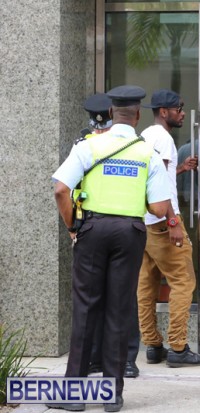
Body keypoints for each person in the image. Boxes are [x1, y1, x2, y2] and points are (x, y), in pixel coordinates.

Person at [49, 85, 171, 412]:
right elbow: (160, 208)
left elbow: (61, 189)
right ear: (138, 115)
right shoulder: (147, 153)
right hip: (130, 233)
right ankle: (112, 395)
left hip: (92, 230)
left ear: (111, 113)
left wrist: (72, 226)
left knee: (86, 308)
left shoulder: (88, 146)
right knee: (119, 309)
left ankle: (73, 395)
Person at [137, 89, 200, 368]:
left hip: (144, 222)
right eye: (178, 109)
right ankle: (178, 347)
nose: (183, 113)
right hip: (163, 223)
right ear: (164, 112)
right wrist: (173, 221)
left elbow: (152, 177)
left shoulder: (145, 136)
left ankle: (153, 345)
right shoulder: (164, 139)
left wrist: (180, 169)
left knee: (146, 285)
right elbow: (160, 183)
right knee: (183, 282)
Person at [77, 93, 142, 379]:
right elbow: (72, 188)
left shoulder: (132, 146)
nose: (100, 130)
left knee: (122, 299)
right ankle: (95, 359)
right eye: (97, 126)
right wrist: (74, 225)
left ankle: (126, 358)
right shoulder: (84, 145)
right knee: (96, 299)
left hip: (117, 226)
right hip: (92, 225)